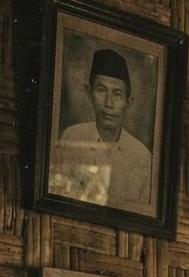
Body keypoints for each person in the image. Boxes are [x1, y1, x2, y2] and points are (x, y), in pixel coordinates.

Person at [49, 47, 153, 210]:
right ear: (89, 93)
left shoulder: (143, 158)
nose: (109, 103)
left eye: (117, 94)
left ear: (129, 101)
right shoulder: (71, 138)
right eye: (101, 90)